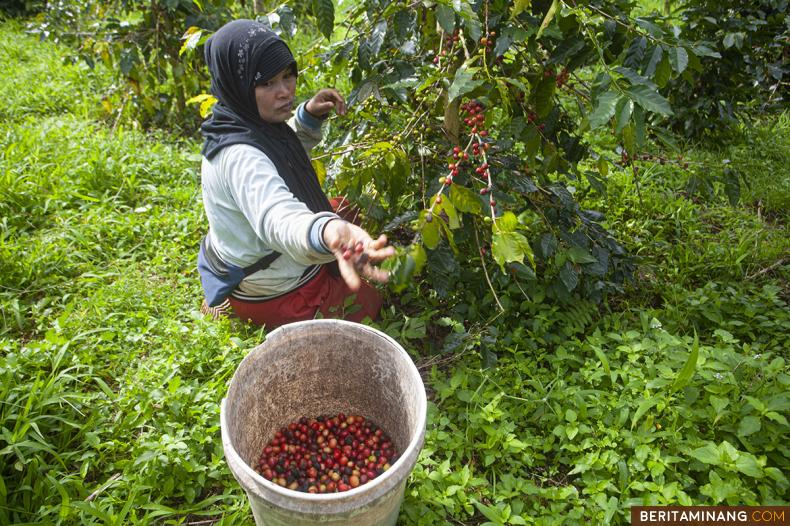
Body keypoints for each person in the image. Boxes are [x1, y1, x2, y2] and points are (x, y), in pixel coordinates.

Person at [197, 19, 394, 328]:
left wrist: (307, 117)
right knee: (367, 304)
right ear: (238, 84)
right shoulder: (240, 157)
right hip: (273, 287)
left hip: (244, 253)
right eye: (267, 83)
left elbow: (278, 152)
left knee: (345, 208)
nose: (285, 92)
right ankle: (236, 308)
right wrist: (327, 231)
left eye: (288, 76)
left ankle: (233, 298)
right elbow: (277, 217)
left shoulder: (238, 121)